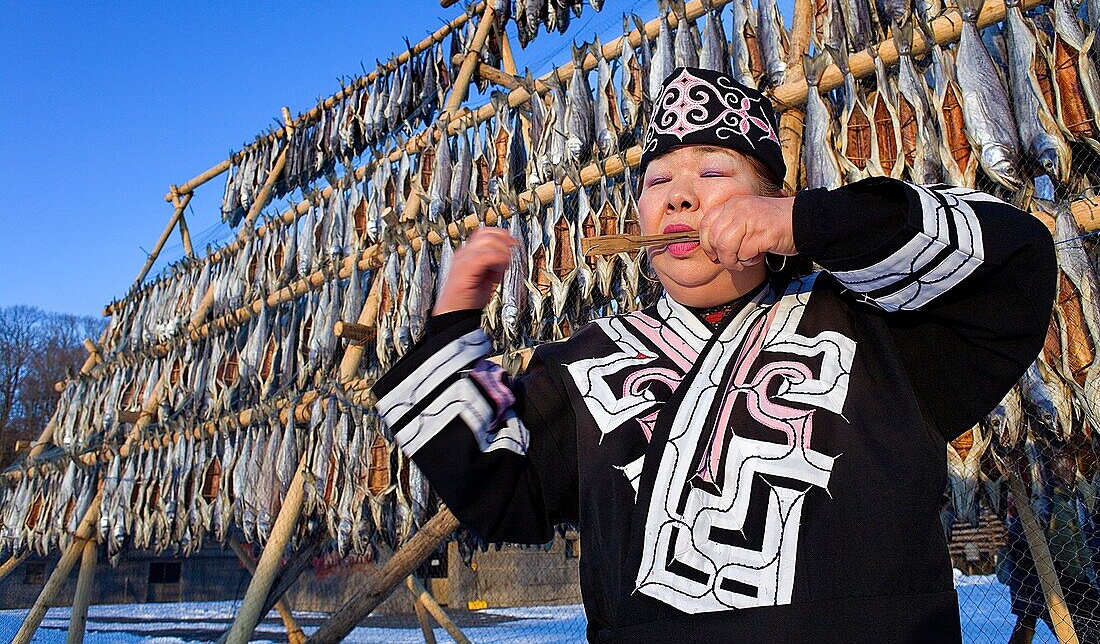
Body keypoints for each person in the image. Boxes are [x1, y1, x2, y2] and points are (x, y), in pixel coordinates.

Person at [372, 67, 1057, 643]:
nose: (680, 193)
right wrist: (451, 331)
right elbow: (494, 488)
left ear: (776, 199)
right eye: (657, 180)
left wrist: (805, 225)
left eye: (712, 170)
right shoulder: (582, 363)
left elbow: (1016, 262)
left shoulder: (880, 326)